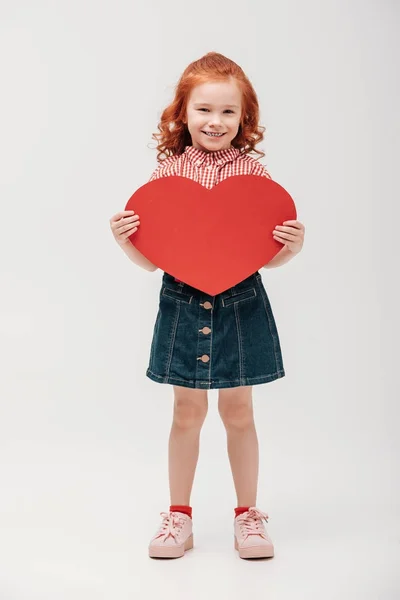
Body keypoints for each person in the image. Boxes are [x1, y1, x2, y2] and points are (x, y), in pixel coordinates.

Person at [109, 52, 305, 560]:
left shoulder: (254, 178)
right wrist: (125, 241)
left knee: (239, 412)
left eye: (227, 112)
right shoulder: (166, 176)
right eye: (204, 110)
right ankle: (180, 516)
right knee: (185, 412)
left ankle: (248, 516)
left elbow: (264, 254)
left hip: (241, 302)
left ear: (245, 119)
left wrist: (290, 248)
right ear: (182, 113)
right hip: (183, 301)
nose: (215, 122)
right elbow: (153, 262)